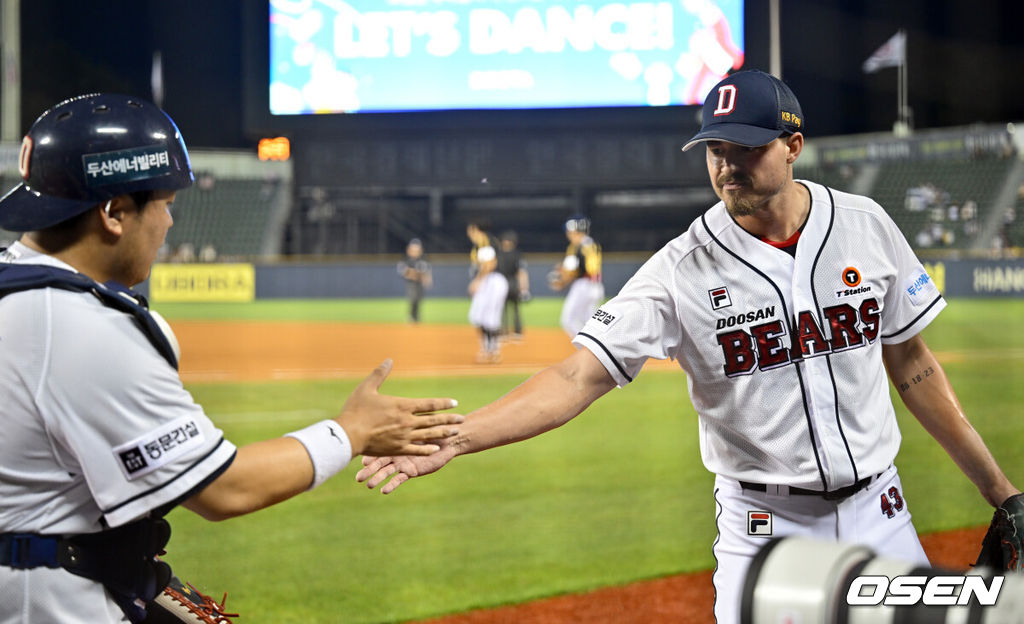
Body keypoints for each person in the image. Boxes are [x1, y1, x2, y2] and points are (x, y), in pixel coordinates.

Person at [356, 70, 1021, 623]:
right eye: (715, 150)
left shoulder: (863, 224)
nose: (727, 166)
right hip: (765, 528)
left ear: (793, 146)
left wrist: (1002, 492)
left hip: (883, 511)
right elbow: (576, 376)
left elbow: (912, 363)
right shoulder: (682, 268)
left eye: (747, 149)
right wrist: (463, 435)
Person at [0, 94, 463, 624]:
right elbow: (225, 488)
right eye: (165, 204)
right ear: (113, 212)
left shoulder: (16, 287)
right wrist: (352, 430)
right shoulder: (81, 327)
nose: (171, 223)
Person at [547, 216, 604, 338]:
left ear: (575, 231)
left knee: (568, 320)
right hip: (596, 286)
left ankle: (588, 348)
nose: (568, 234)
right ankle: (597, 350)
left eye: (569, 232)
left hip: (583, 286)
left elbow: (573, 271)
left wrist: (561, 281)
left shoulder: (577, 246)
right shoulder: (591, 243)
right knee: (592, 325)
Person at [466, 221, 508, 363]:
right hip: (491, 280)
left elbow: (490, 264)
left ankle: (493, 351)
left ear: (475, 229)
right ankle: (489, 349)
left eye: (470, 231)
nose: (469, 234)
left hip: (493, 280)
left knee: (490, 317)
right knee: (478, 316)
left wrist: (478, 281)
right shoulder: (486, 241)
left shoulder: (484, 241)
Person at [496, 230, 530, 341]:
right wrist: (524, 289)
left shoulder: (498, 254)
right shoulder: (517, 254)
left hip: (501, 284)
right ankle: (517, 332)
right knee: (515, 309)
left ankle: (503, 332)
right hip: (513, 284)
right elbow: (522, 272)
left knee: (502, 309)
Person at [397, 238, 432, 323]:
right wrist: (417, 274)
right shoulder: (406, 260)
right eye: (413, 250)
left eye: (417, 250)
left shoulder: (422, 260)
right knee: (412, 298)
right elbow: (405, 272)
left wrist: (423, 277)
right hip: (411, 283)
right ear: (409, 250)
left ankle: (416, 317)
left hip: (419, 284)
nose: (415, 252)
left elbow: (425, 273)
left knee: (418, 300)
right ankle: (411, 316)